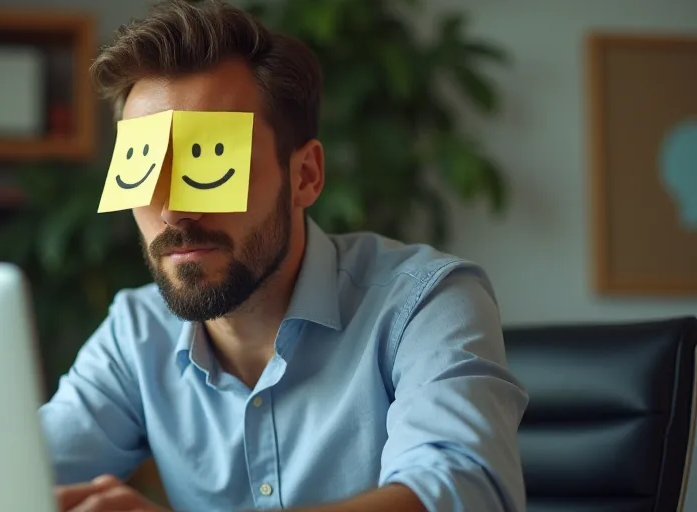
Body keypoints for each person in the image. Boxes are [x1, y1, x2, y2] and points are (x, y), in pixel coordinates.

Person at [39, 1, 529, 511]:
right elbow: (9, 474)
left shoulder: (425, 302)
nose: (172, 213)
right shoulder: (136, 335)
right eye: (146, 171)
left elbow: (460, 492)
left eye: (210, 163)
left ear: (306, 176)